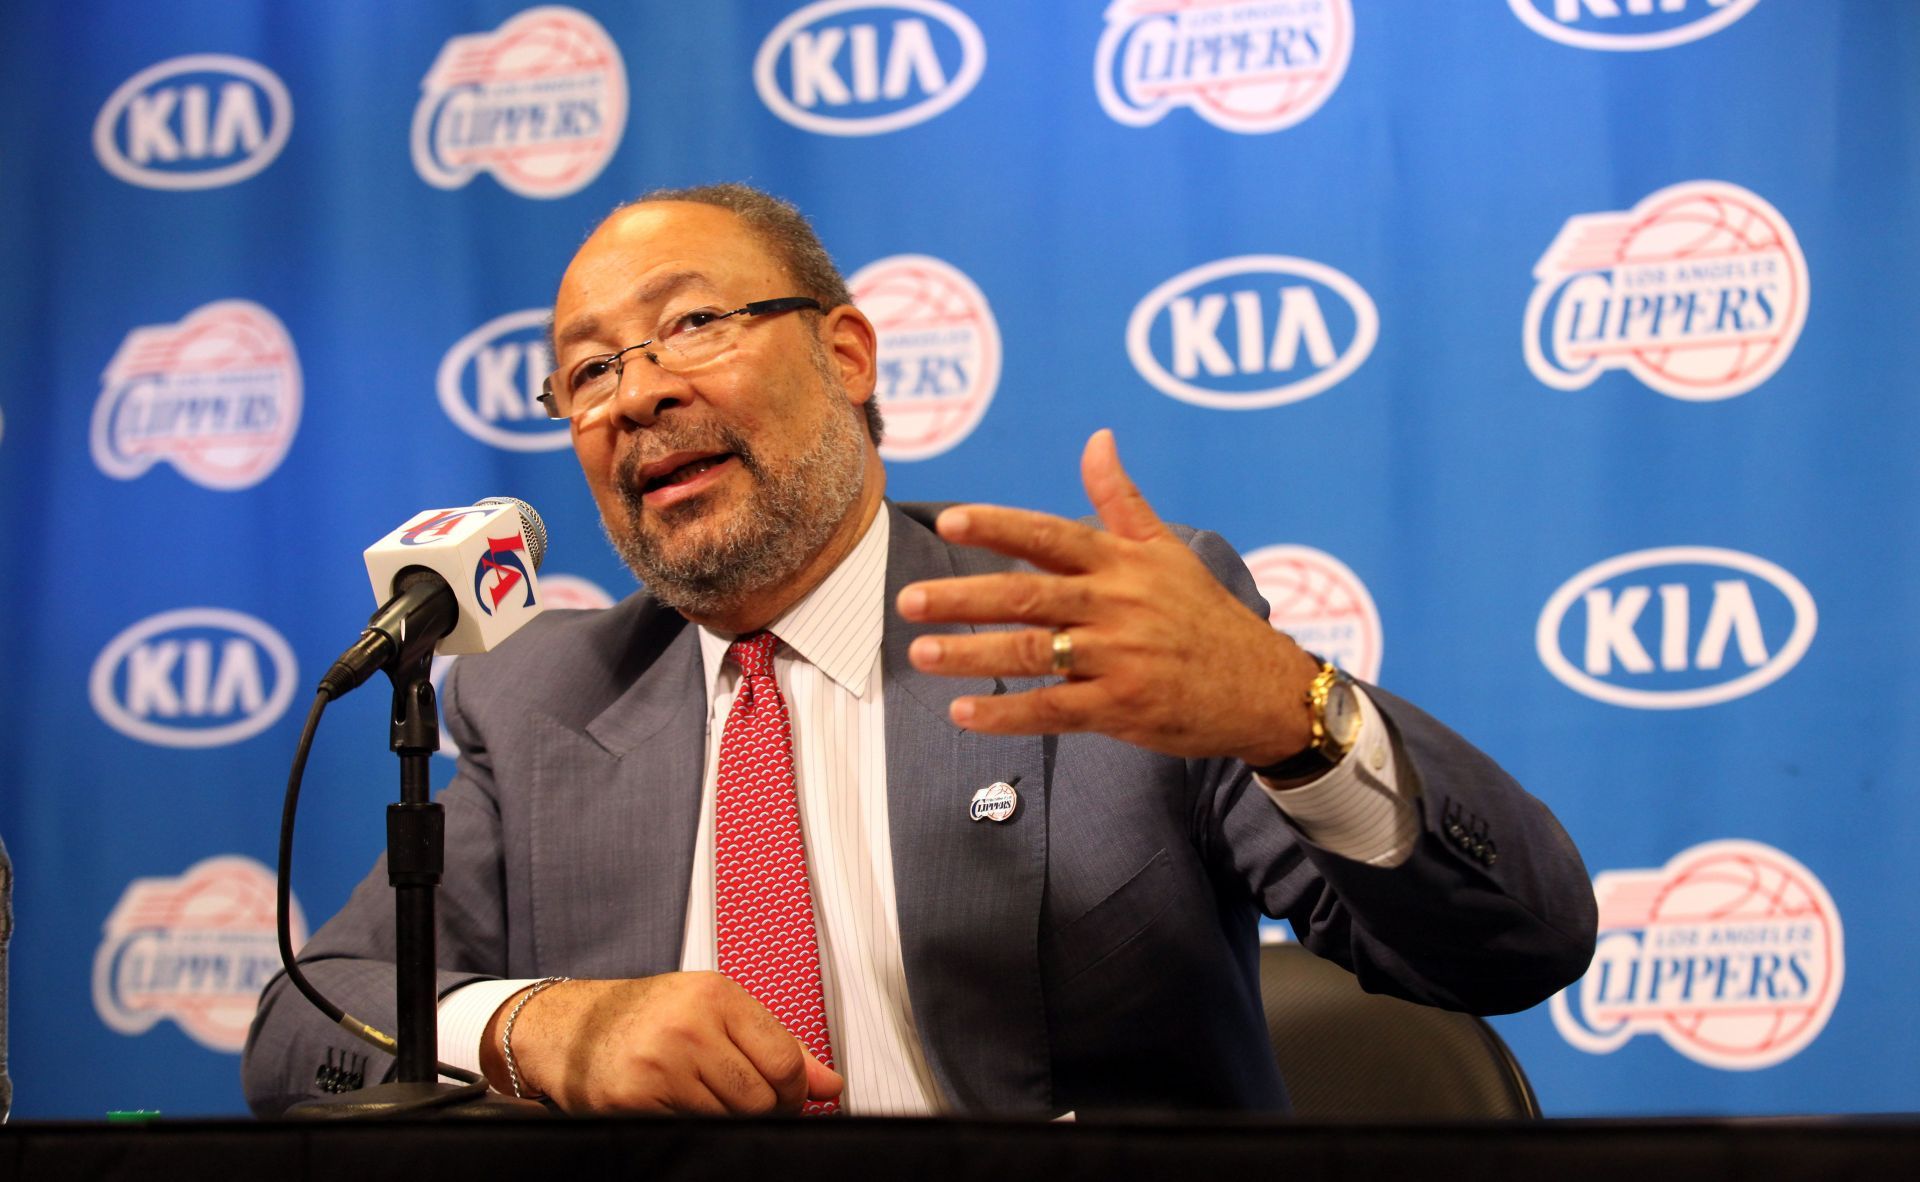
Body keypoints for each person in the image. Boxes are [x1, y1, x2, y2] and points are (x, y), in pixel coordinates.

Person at [243, 183, 1596, 1118]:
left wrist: (1289, 711)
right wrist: (543, 1027)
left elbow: (1519, 943)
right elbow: (305, 1027)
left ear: (846, 354)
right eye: (586, 369)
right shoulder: (534, 695)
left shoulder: (1102, 630)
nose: (636, 392)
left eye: (693, 325)